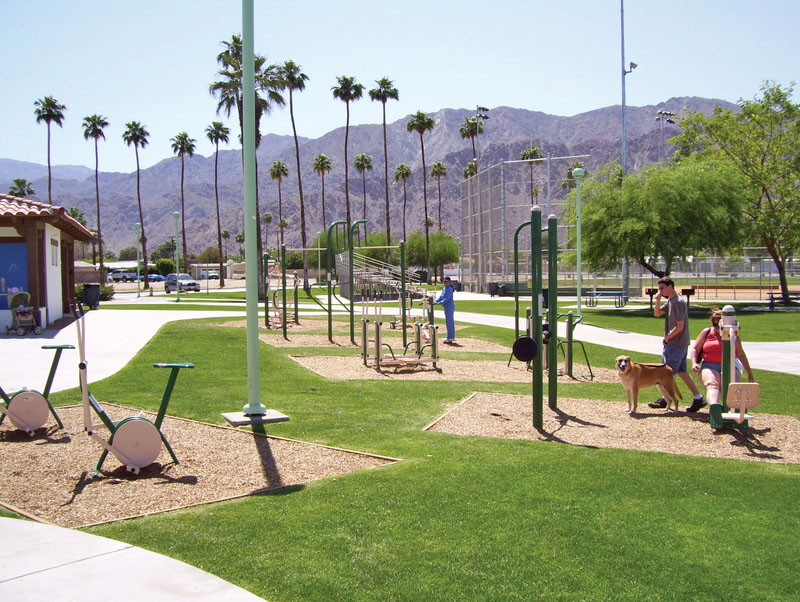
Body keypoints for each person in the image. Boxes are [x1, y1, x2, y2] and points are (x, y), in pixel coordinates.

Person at [649, 276, 706, 412]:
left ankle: (665, 399)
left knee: (666, 373)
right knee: (681, 372)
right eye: (659, 289)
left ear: (670, 286)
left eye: (662, 288)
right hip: (679, 343)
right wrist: (657, 301)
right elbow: (657, 314)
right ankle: (698, 398)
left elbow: (680, 326)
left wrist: (667, 338)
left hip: (676, 344)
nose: (660, 291)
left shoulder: (677, 302)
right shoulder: (670, 301)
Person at [691, 308, 755, 406]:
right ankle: (714, 409)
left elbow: (741, 354)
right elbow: (695, 349)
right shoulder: (707, 332)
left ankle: (733, 411)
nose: (717, 329)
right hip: (709, 365)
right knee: (712, 384)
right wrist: (694, 363)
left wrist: (749, 372)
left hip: (730, 365)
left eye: (719, 326)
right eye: (715, 325)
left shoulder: (733, 335)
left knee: (731, 388)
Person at [433, 276, 456, 343]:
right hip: (446, 306)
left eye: (446, 282)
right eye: (444, 282)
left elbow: (446, 299)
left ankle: (451, 337)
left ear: (449, 282)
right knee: (448, 321)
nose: (445, 283)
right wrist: (435, 301)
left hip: (449, 306)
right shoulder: (444, 288)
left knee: (450, 321)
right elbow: (441, 297)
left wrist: (438, 303)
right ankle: (450, 337)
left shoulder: (449, 289)